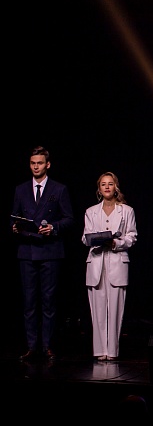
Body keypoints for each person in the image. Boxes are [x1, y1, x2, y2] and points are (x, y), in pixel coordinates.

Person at [10, 145, 75, 362]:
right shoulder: (21, 189)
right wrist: (14, 227)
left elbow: (69, 219)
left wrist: (53, 227)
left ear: (47, 165)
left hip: (50, 251)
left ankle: (48, 346)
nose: (35, 167)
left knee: (48, 301)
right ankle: (31, 346)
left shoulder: (59, 189)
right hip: (27, 251)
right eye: (32, 163)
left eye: (39, 163)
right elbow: (14, 216)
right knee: (29, 302)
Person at [82, 171, 138, 361]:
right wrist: (96, 239)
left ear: (116, 187)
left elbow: (132, 236)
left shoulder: (127, 211)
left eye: (110, 184)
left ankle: (112, 351)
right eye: (103, 184)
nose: (107, 187)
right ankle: (99, 351)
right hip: (96, 263)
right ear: (99, 189)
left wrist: (116, 243)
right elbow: (85, 237)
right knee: (97, 311)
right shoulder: (91, 211)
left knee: (115, 310)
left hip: (117, 262)